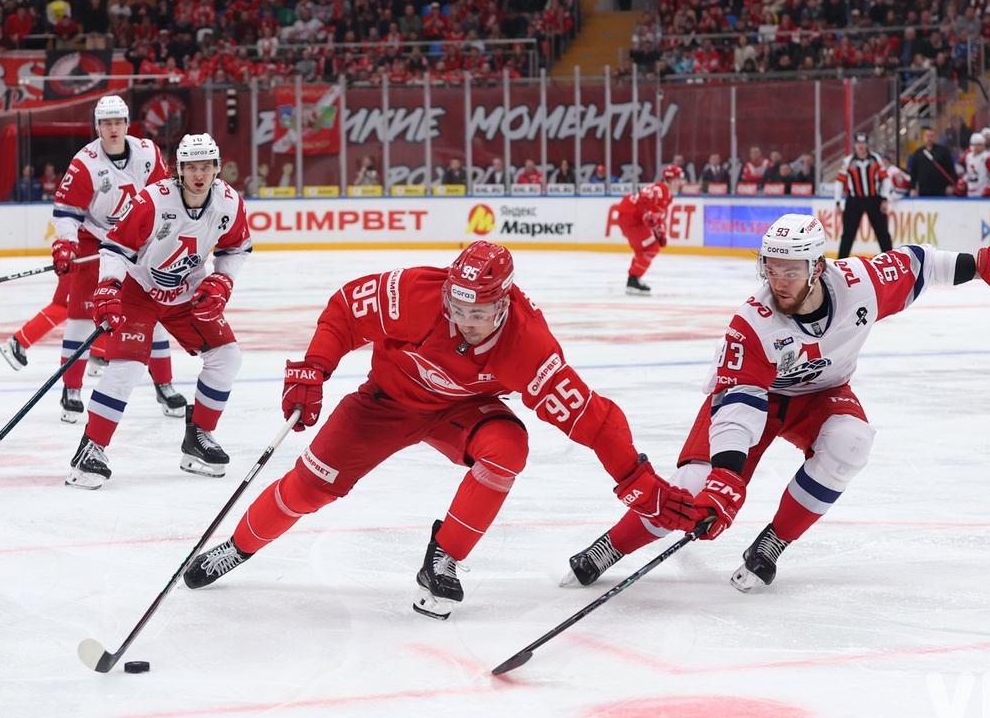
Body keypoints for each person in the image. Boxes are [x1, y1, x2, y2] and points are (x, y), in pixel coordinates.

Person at [181, 240, 684, 621]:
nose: (465, 321)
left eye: (479, 313)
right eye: (458, 309)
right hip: (383, 403)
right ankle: (238, 547)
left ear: (504, 304)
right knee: (308, 487)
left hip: (462, 412)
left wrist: (634, 477)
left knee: (508, 446)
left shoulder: (528, 343)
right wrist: (314, 368)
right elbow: (343, 313)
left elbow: (592, 418)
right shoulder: (417, 294)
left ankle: (443, 559)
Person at [562, 214, 990, 592]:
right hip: (755, 401)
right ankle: (610, 546)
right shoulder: (752, 323)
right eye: (771, 267)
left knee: (852, 442)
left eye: (791, 268)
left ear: (818, 267)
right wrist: (726, 479)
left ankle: (773, 543)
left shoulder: (860, 283)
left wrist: (988, 265)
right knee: (692, 489)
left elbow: (922, 263)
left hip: (822, 394)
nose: (778, 280)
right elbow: (736, 410)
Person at [66, 133, 252, 489]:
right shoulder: (153, 200)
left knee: (227, 357)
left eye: (206, 166)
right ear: (179, 170)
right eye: (192, 167)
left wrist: (222, 281)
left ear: (217, 168)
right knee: (128, 367)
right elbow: (115, 247)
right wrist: (108, 287)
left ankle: (198, 438)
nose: (199, 174)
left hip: (188, 293)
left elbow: (236, 249)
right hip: (139, 291)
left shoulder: (229, 203)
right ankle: (91, 448)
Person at [40, 95, 186, 422]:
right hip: (97, 244)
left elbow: (166, 196)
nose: (113, 128)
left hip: (139, 245)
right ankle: (72, 388)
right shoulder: (84, 163)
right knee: (80, 319)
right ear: (98, 127)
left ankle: (165, 383)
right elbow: (66, 213)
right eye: (106, 123)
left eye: (118, 121)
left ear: (127, 123)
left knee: (154, 315)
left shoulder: (147, 153)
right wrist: (67, 242)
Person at [834, 133, 892, 259]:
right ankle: (840, 263)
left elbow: (885, 179)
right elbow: (839, 182)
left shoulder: (875, 159)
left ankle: (891, 261)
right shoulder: (848, 161)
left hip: (874, 200)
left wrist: (885, 198)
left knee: (883, 233)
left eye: (863, 143)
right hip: (854, 201)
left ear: (866, 144)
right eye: (858, 143)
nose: (861, 146)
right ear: (854, 145)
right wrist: (837, 202)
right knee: (848, 234)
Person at [615, 180, 673, 295]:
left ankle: (633, 279)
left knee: (643, 250)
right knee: (651, 248)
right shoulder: (660, 189)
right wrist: (646, 214)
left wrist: (660, 232)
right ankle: (633, 279)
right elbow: (643, 199)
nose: (680, 182)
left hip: (633, 218)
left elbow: (658, 214)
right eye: (677, 179)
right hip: (631, 218)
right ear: (670, 179)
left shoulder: (668, 194)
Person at [908, 126, 956, 197]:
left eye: (932, 136)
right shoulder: (918, 153)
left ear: (936, 137)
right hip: (923, 191)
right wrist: (913, 188)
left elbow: (951, 169)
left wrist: (950, 185)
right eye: (927, 136)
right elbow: (913, 172)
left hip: (941, 191)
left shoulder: (943, 151)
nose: (929, 138)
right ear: (923, 137)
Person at [957, 133, 990, 198]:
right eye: (974, 145)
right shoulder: (968, 156)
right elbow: (970, 172)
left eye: (979, 145)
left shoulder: (987, 157)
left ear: (983, 145)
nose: (976, 147)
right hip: (970, 190)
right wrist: (963, 179)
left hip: (983, 191)